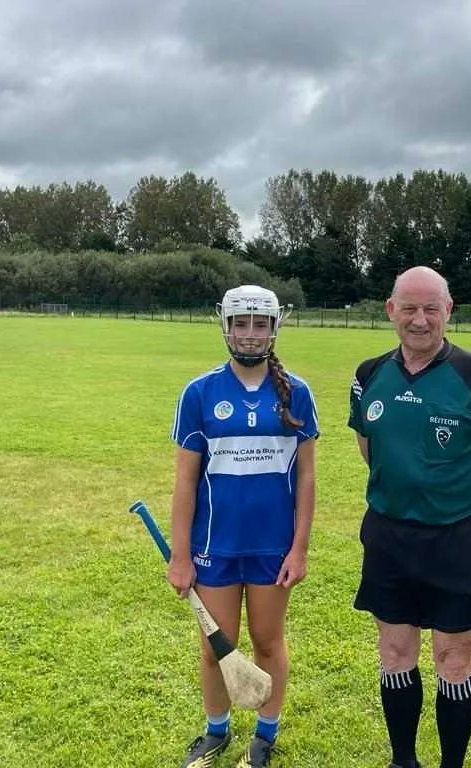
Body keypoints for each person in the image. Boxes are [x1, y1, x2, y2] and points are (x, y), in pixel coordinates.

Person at [348, 266, 471, 768]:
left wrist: (466, 496)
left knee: (454, 658)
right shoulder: (368, 376)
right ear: (391, 311)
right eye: (409, 308)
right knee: (395, 652)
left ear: (449, 311)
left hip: (458, 541)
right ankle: (403, 760)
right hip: (389, 536)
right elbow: (369, 444)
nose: (420, 320)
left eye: (431, 308)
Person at [168, 285, 319, 768]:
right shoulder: (200, 393)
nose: (249, 335)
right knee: (216, 649)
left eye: (259, 324)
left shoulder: (297, 393)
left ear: (274, 329)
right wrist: (180, 553)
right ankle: (216, 731)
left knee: (269, 642)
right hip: (215, 546)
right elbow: (186, 482)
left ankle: (265, 735)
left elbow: (307, 476)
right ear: (225, 326)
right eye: (241, 323)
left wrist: (299, 549)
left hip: (272, 548)